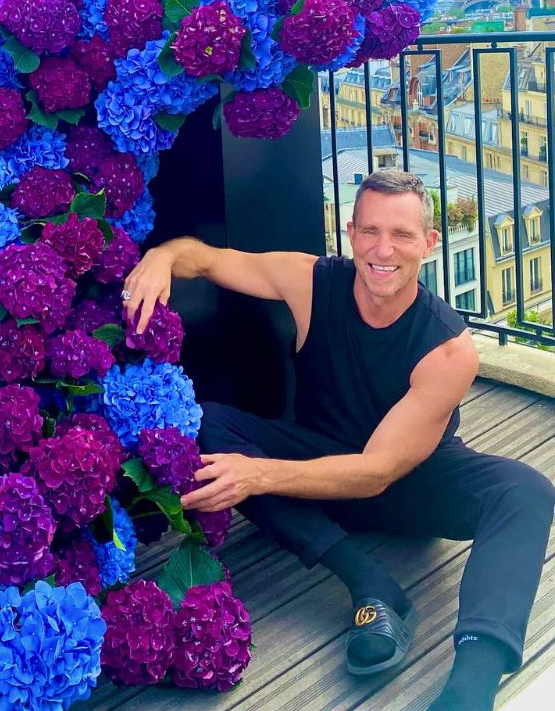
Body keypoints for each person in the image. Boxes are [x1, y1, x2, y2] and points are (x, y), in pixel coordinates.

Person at [121, 168, 555, 711]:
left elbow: (377, 471)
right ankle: (370, 583)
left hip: (411, 483)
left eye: (401, 235)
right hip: (317, 470)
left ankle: (470, 689)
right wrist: (161, 257)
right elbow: (206, 258)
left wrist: (258, 475)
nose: (383, 249)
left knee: (526, 490)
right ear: (350, 233)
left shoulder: (449, 348)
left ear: (428, 243)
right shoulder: (311, 281)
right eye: (370, 231)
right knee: (204, 422)